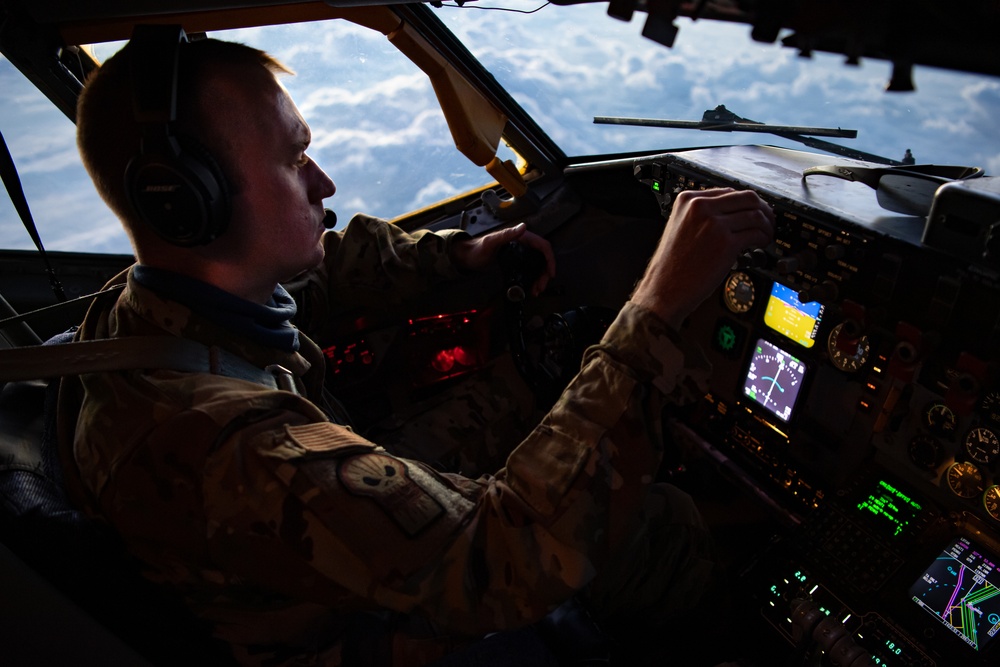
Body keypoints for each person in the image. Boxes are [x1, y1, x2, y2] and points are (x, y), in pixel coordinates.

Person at [60, 31, 775, 667]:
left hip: (303, 585)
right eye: (294, 159)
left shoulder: (150, 307)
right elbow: (503, 559)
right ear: (188, 200)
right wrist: (653, 308)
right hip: (371, 629)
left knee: (511, 398)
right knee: (657, 524)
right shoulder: (226, 452)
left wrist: (457, 259)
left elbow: (320, 275)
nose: (324, 182)